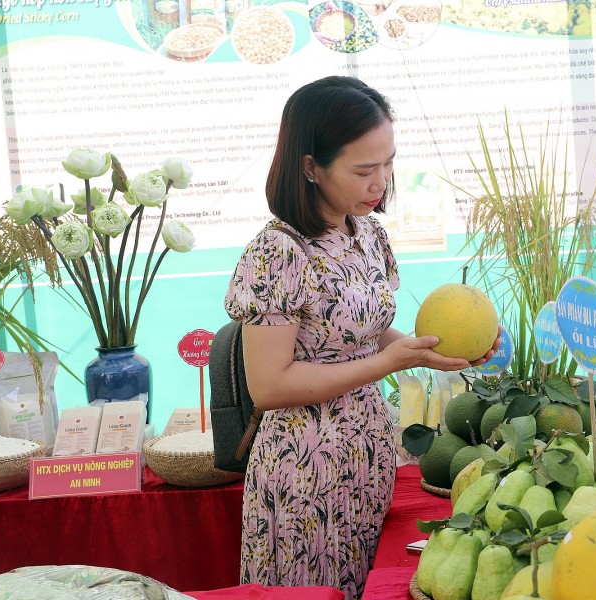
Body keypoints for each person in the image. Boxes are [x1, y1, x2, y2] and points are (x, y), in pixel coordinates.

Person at [224, 75, 498, 599]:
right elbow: (270, 385)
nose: (381, 182)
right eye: (364, 170)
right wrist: (389, 363)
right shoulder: (278, 252)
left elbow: (364, 335)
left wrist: (430, 351)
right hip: (306, 472)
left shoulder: (367, 233)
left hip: (366, 458)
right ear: (311, 167)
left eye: (388, 163)